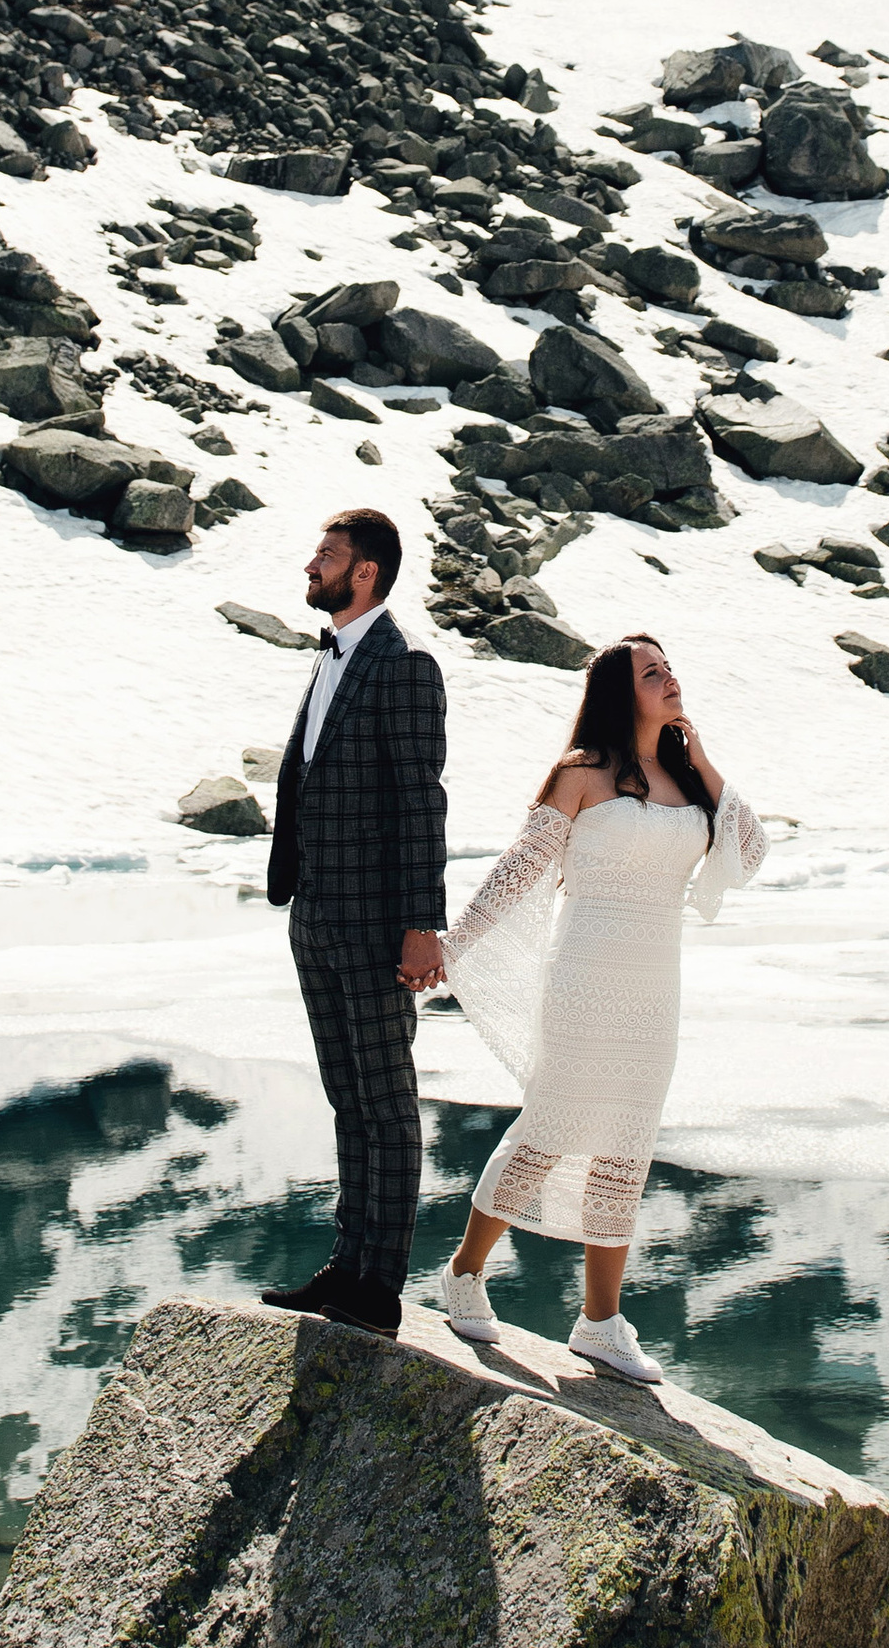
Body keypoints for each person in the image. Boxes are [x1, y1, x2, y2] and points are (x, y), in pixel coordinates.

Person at [432, 635, 765, 1384]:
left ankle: (600, 1323)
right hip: (583, 973)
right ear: (621, 692)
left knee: (625, 1146)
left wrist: (700, 753)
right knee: (552, 1129)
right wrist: (456, 945)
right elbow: (520, 869)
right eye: (654, 674)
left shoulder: (690, 780)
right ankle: (464, 1274)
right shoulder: (581, 774)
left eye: (672, 667)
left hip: (654, 985)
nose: (671, 678)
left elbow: (750, 847)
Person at [261, 508, 449, 1336]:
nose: (312, 565)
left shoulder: (405, 665)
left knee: (387, 1100)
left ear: (365, 571)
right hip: (317, 915)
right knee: (348, 1100)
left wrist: (422, 924)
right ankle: (346, 1264)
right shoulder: (333, 656)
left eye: (326, 555)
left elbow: (420, 803)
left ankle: (380, 1286)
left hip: (376, 925)